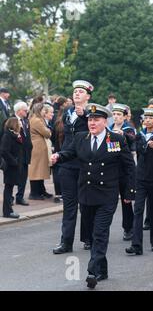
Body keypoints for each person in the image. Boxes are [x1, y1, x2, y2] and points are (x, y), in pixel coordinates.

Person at [51, 103, 135, 289]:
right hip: (87, 194)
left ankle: (92, 271)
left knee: (99, 233)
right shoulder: (81, 137)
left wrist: (129, 191)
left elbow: (129, 166)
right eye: (90, 119)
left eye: (96, 119)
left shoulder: (116, 139)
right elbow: (70, 152)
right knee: (91, 234)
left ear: (105, 121)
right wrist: (58, 156)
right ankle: (102, 269)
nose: (92, 123)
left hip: (107, 194)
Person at [53, 80, 94, 255]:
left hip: (85, 164)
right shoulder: (68, 111)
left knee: (86, 205)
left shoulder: (93, 112)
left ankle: (88, 238)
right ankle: (66, 242)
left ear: (88, 96)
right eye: (75, 91)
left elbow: (96, 132)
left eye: (81, 92)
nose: (77, 94)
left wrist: (85, 115)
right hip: (67, 164)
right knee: (69, 206)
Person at [126, 108, 153, 255]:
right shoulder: (140, 134)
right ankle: (136, 245)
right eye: (146, 118)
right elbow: (131, 137)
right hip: (141, 178)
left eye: (151, 118)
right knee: (138, 210)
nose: (148, 120)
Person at [110, 104, 137, 241]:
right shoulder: (109, 129)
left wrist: (123, 135)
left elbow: (132, 138)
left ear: (125, 117)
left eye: (119, 114)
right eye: (114, 114)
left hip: (125, 169)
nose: (116, 117)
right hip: (112, 169)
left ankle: (129, 228)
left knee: (126, 201)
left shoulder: (128, 129)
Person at [1, 118, 26, 218]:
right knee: (8, 188)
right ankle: (7, 212)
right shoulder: (7, 135)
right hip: (10, 167)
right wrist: (14, 161)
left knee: (10, 188)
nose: (20, 125)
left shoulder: (15, 135)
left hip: (14, 166)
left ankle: (8, 210)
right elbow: (4, 151)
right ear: (14, 124)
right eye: (19, 123)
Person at [28, 103, 54, 200]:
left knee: (40, 170)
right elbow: (47, 133)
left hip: (38, 147)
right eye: (43, 110)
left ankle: (41, 190)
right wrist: (49, 131)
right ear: (39, 110)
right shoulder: (36, 120)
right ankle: (34, 193)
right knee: (36, 171)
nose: (44, 112)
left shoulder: (36, 119)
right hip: (37, 147)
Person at [12, 102, 33, 206]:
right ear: (19, 110)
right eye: (25, 110)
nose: (27, 112)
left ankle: (19, 197)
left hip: (25, 153)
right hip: (15, 154)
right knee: (12, 177)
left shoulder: (26, 120)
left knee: (24, 177)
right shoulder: (11, 120)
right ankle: (9, 198)